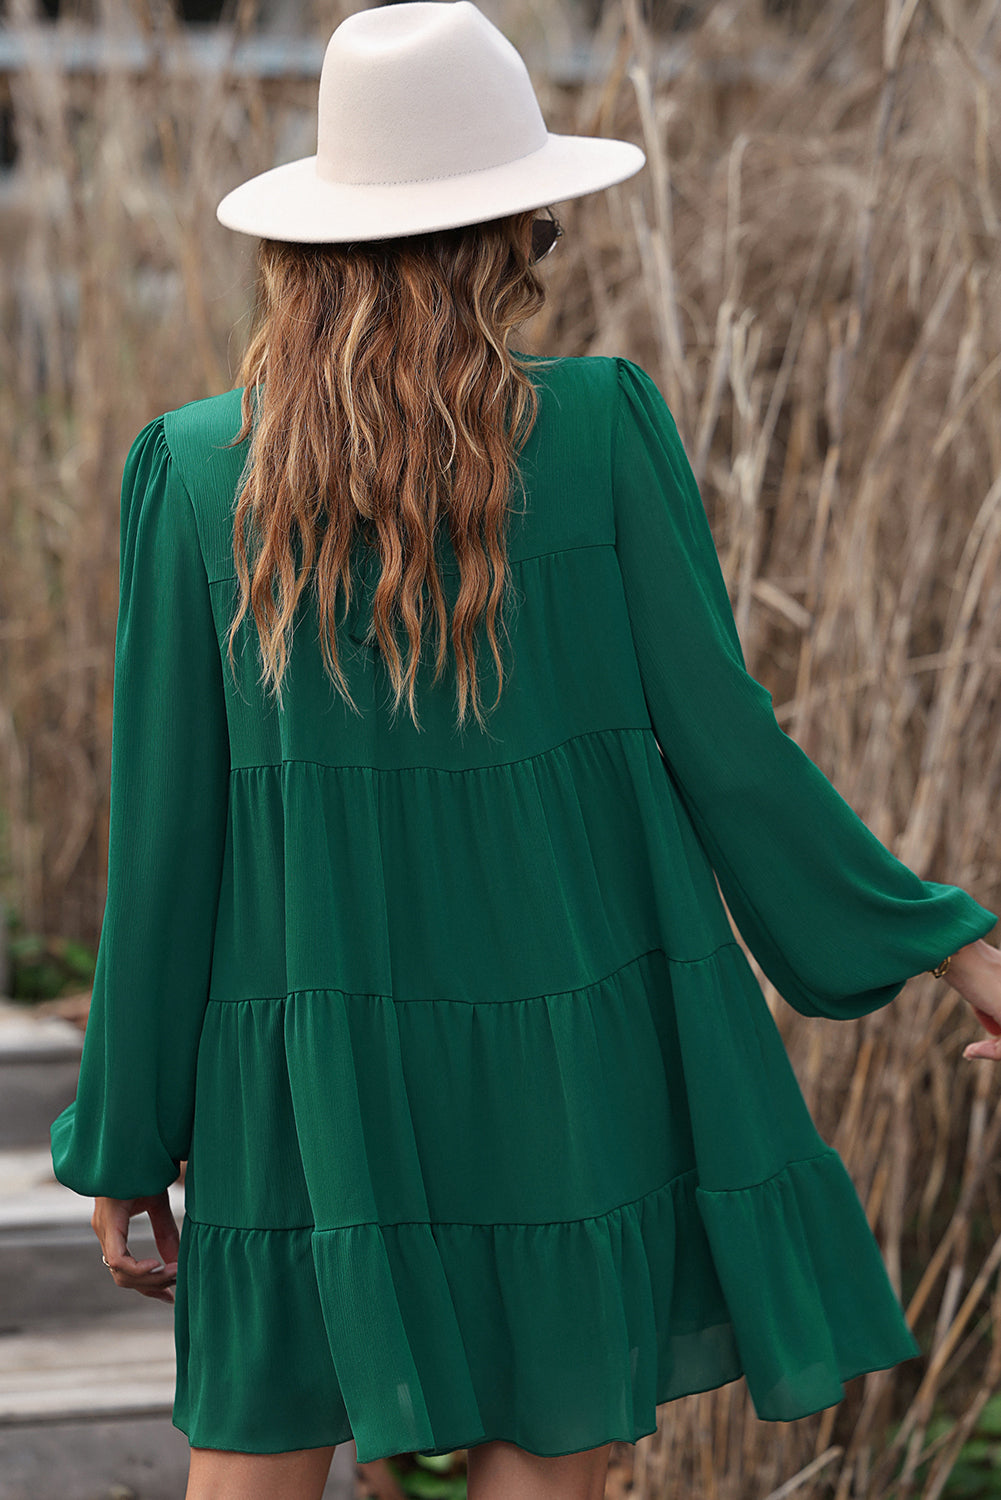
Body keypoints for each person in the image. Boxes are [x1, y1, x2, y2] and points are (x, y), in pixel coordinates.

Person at [48, 4, 1001, 1499]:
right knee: (543, 1458)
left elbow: (164, 842)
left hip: (302, 1064)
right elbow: (732, 757)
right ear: (503, 238)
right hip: (567, 1048)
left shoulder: (190, 472)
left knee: (257, 1451)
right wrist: (951, 944)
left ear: (307, 251)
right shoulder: (603, 430)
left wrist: (122, 1136)